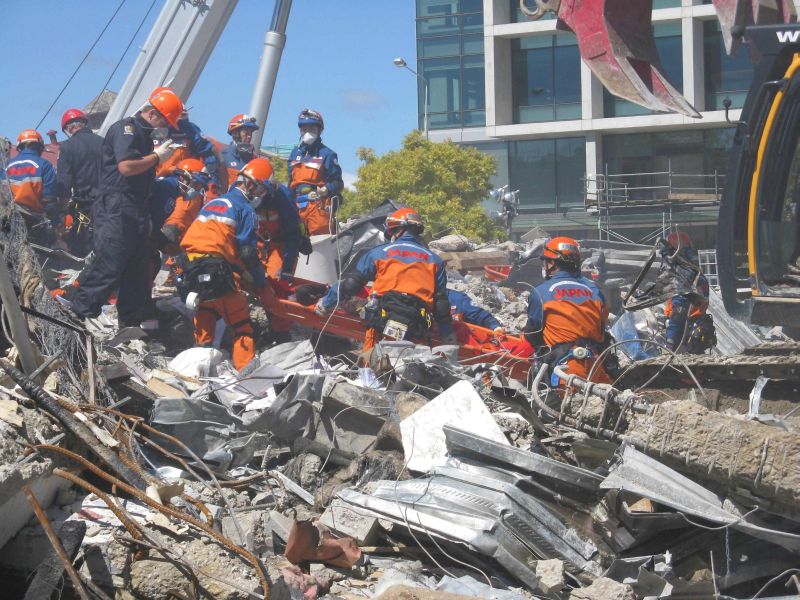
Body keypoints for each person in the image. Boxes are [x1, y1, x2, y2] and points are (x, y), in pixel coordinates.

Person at [60, 87, 184, 328]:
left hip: (134, 208)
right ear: (153, 113)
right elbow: (126, 167)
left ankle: (132, 321)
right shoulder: (126, 129)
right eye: (165, 121)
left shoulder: (144, 137)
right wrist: (158, 158)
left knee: (137, 267)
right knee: (112, 260)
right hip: (116, 206)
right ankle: (79, 310)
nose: (163, 127)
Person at [315, 208, 454, 352]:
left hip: (381, 320)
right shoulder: (434, 260)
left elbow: (350, 284)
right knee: (409, 365)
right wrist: (447, 334)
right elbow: (441, 303)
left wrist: (325, 303)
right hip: (416, 325)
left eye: (392, 231)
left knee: (372, 364)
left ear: (398, 230)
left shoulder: (380, 252)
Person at [179, 157, 270, 371]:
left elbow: (210, 239)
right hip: (218, 271)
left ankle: (197, 368)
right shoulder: (244, 209)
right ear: (251, 184)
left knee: (207, 312)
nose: (258, 197)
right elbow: (247, 252)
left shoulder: (213, 202)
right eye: (259, 191)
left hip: (191, 269)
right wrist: (258, 280)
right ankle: (246, 375)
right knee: (242, 326)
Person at [523, 236, 611, 385]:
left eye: (546, 262)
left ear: (552, 263)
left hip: (565, 369)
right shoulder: (594, 290)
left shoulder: (541, 292)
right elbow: (602, 328)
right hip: (596, 365)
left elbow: (533, 333)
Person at [56, 108, 104, 256]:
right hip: (111, 204)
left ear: (68, 129)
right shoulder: (105, 143)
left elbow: (64, 184)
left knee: (81, 249)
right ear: (85, 123)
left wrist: (62, 212)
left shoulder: (67, 147)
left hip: (86, 207)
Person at [288, 109, 343, 235]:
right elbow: (290, 183)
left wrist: (326, 189)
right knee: (292, 242)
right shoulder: (294, 153)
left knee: (319, 244)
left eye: (311, 128)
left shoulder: (327, 154)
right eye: (304, 128)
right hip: (296, 207)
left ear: (319, 130)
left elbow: (338, 183)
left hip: (317, 207)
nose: (307, 132)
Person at [663, 232, 716, 353]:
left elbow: (679, 311)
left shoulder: (684, 276)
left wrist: (669, 342)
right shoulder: (696, 274)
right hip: (694, 329)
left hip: (684, 336)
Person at [3, 130, 59, 239]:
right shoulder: (45, 165)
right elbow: (49, 200)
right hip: (32, 222)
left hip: (6, 218)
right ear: (40, 147)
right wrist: (56, 223)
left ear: (20, 146)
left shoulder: (6, 166)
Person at [153, 109, 221, 196]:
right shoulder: (149, 128)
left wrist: (212, 184)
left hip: (182, 183)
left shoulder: (190, 130)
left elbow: (208, 156)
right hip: (151, 179)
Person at [150, 158, 212, 248]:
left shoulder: (173, 192)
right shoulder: (166, 186)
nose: (197, 189)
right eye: (197, 184)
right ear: (183, 177)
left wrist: (163, 243)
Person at [220, 113, 260, 190]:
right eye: (246, 132)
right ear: (235, 133)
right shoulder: (222, 157)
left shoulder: (255, 160)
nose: (249, 136)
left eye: (251, 132)